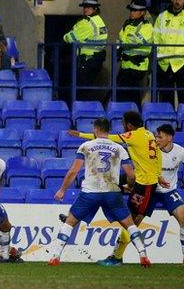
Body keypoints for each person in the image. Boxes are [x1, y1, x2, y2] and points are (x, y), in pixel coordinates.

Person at [48, 118, 151, 267]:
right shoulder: (119, 148)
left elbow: (74, 171)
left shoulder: (86, 146)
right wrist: (129, 186)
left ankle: (55, 257)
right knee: (130, 224)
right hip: (112, 192)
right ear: (108, 130)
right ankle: (143, 256)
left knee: (69, 222)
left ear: (95, 130)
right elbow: (131, 174)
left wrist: (62, 190)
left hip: (90, 192)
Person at [68, 111, 163, 266]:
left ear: (129, 125)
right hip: (143, 178)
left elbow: (106, 138)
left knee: (131, 222)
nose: (123, 126)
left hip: (145, 185)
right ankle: (78, 215)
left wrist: (79, 135)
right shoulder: (148, 134)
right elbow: (157, 156)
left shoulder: (133, 135)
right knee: (110, 181)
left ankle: (118, 257)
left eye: (124, 123)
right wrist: (159, 174)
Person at [63, 0, 108, 102]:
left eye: (88, 7)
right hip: (97, 60)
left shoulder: (86, 23)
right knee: (88, 89)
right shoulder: (99, 21)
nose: (85, 9)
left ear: (95, 8)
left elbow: (68, 38)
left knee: (81, 91)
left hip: (87, 61)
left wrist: (73, 30)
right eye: (84, 7)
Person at [153, 124, 184, 263]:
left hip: (169, 191)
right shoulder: (151, 151)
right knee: (132, 222)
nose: (156, 139)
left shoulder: (180, 151)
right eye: (156, 136)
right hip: (150, 190)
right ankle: (117, 255)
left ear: (170, 137)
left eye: (160, 136)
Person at [116, 0, 152, 106]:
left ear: (143, 12)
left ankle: (136, 117)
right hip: (125, 64)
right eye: (131, 10)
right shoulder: (127, 24)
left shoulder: (147, 26)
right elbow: (119, 39)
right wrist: (122, 45)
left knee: (131, 92)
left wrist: (124, 42)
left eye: (135, 10)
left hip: (138, 65)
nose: (132, 12)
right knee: (120, 91)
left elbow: (135, 41)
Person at [153, 0, 184, 105]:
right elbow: (155, 37)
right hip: (164, 63)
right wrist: (159, 55)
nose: (177, 1)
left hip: (181, 63)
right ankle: (168, 122)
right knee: (166, 100)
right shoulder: (162, 16)